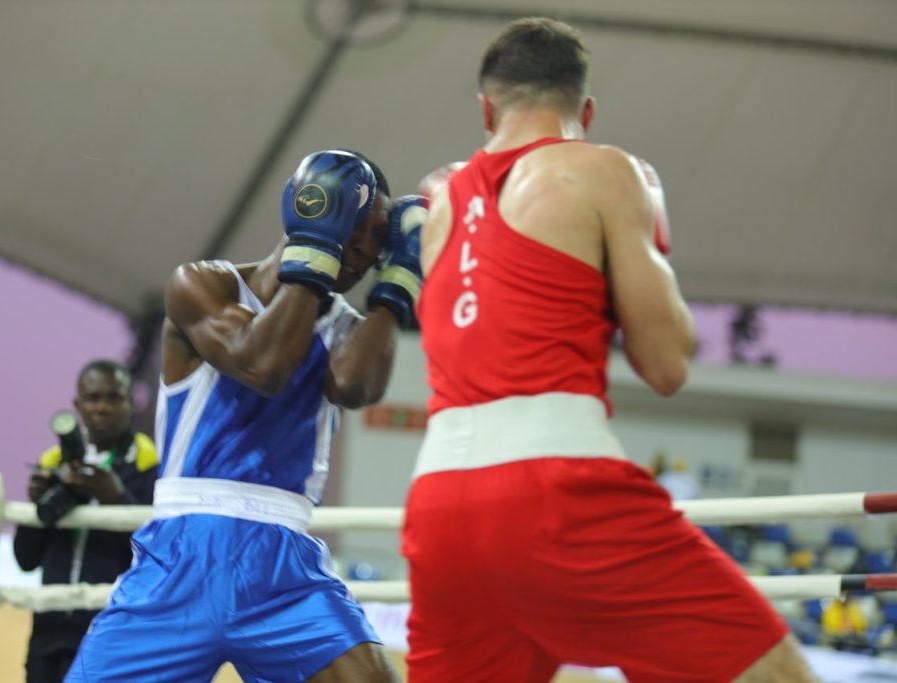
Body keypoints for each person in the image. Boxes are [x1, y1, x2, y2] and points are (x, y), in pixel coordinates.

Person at [402, 18, 817, 683]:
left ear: (486, 109)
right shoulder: (603, 170)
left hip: (437, 504)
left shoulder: (437, 202)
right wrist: (650, 237)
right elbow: (666, 365)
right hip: (556, 493)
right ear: (585, 110)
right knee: (776, 674)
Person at [66, 150, 423, 682]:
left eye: (379, 237)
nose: (364, 248)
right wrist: (315, 252)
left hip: (285, 563)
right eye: (352, 223)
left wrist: (397, 288)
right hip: (183, 553)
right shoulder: (203, 286)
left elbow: (354, 387)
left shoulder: (350, 328)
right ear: (311, 209)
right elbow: (263, 365)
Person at [14, 359, 158, 683]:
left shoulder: (150, 467)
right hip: (48, 634)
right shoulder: (54, 463)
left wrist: (118, 499)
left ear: (130, 403)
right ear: (78, 405)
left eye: (114, 398)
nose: (102, 408)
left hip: (115, 635)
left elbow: (156, 561)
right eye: (93, 399)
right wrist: (38, 506)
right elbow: (25, 560)